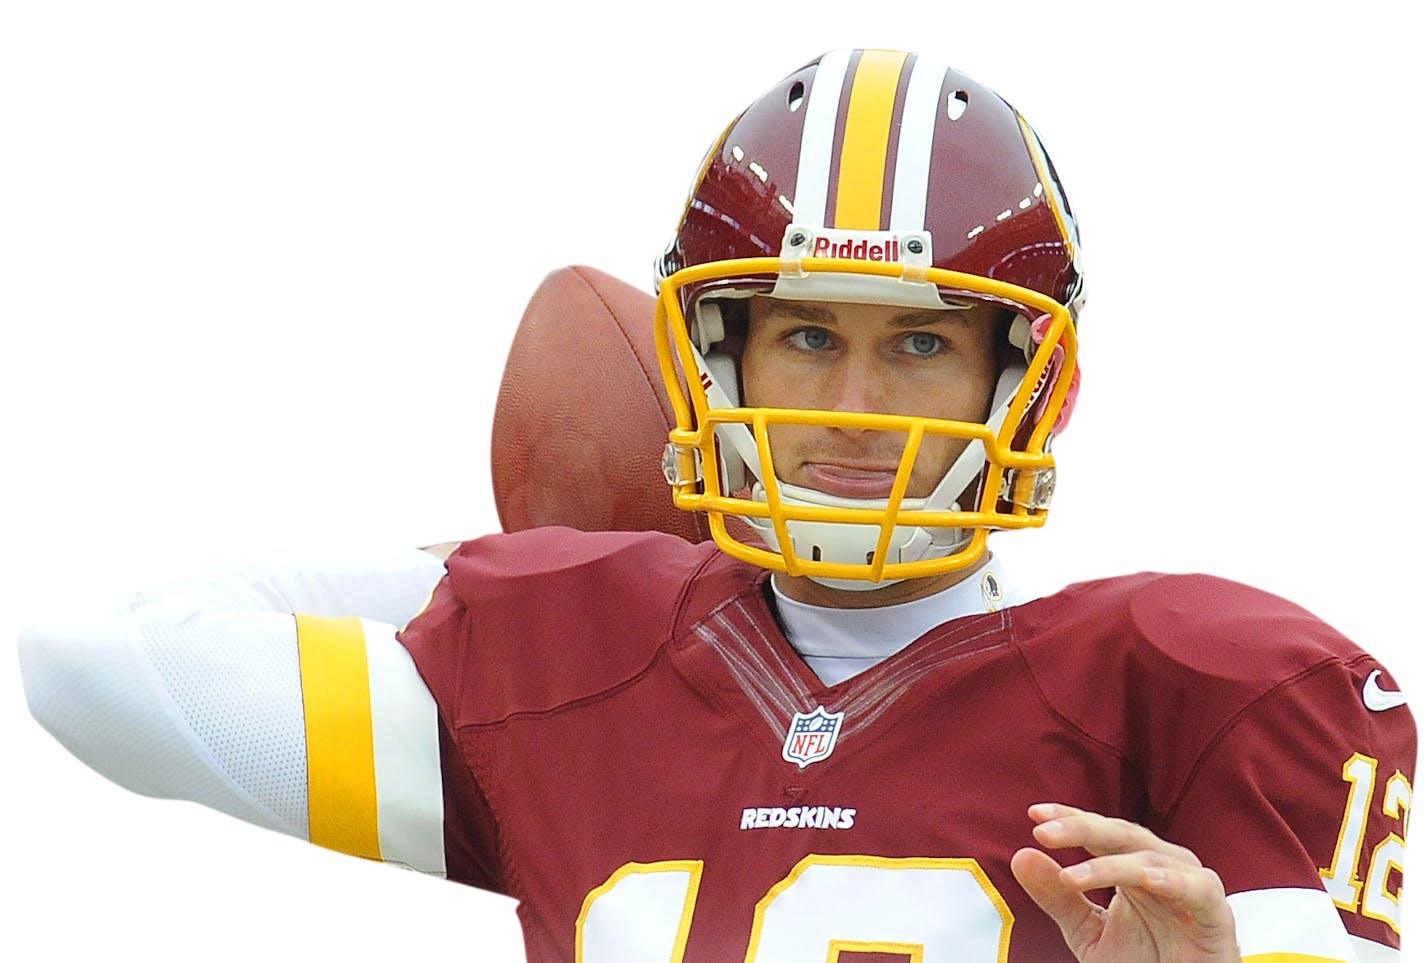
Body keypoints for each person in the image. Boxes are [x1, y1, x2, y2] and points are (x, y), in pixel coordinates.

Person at [17, 48, 1414, 962]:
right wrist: (513, 568)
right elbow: (92, 656)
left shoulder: (1201, 686)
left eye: (920, 344)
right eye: (805, 336)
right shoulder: (577, 663)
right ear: (709, 365)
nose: (854, 405)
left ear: (1022, 382)